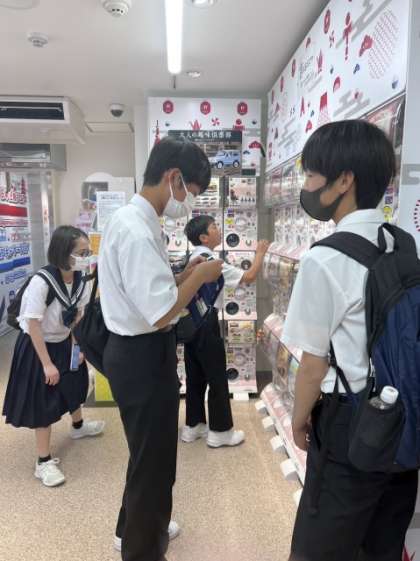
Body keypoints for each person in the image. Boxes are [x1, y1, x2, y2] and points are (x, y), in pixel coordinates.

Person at [281, 120, 418, 561]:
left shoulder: (325, 259)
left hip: (349, 427)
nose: (306, 186)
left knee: (319, 548)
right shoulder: (403, 244)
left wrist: (299, 421)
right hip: (403, 423)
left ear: (344, 180)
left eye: (311, 174)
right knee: (383, 545)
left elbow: (313, 365)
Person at [98, 137, 223, 561]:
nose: (189, 203)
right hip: (142, 355)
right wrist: (200, 277)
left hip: (139, 352)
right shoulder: (136, 230)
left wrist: (184, 273)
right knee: (154, 463)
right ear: (174, 178)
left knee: (147, 454)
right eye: (191, 192)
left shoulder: (138, 221)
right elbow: (159, 311)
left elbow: (150, 290)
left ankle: (133, 525)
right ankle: (142, 549)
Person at [3, 225, 105, 488]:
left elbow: (77, 317)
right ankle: (43, 461)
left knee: (75, 384)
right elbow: (33, 324)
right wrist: (47, 364)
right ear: (62, 252)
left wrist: (76, 348)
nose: (86, 257)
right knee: (43, 401)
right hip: (38, 346)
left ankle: (78, 426)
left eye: (88, 252)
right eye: (81, 253)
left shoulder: (81, 280)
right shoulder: (42, 282)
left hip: (64, 342)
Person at [182, 214, 269, 447]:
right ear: (204, 237)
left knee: (195, 375)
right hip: (207, 322)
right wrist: (260, 253)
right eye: (214, 227)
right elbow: (248, 276)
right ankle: (220, 432)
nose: (219, 230)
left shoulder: (192, 257)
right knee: (217, 376)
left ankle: (193, 426)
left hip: (190, 322)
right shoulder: (211, 261)